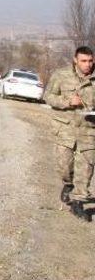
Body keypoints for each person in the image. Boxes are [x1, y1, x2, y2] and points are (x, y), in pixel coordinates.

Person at [44, 46, 95, 222]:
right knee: (64, 166)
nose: (87, 64)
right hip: (65, 128)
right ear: (75, 60)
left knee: (86, 167)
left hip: (89, 130)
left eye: (90, 61)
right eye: (83, 61)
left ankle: (78, 202)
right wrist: (67, 102)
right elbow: (48, 96)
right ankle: (68, 184)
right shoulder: (61, 75)